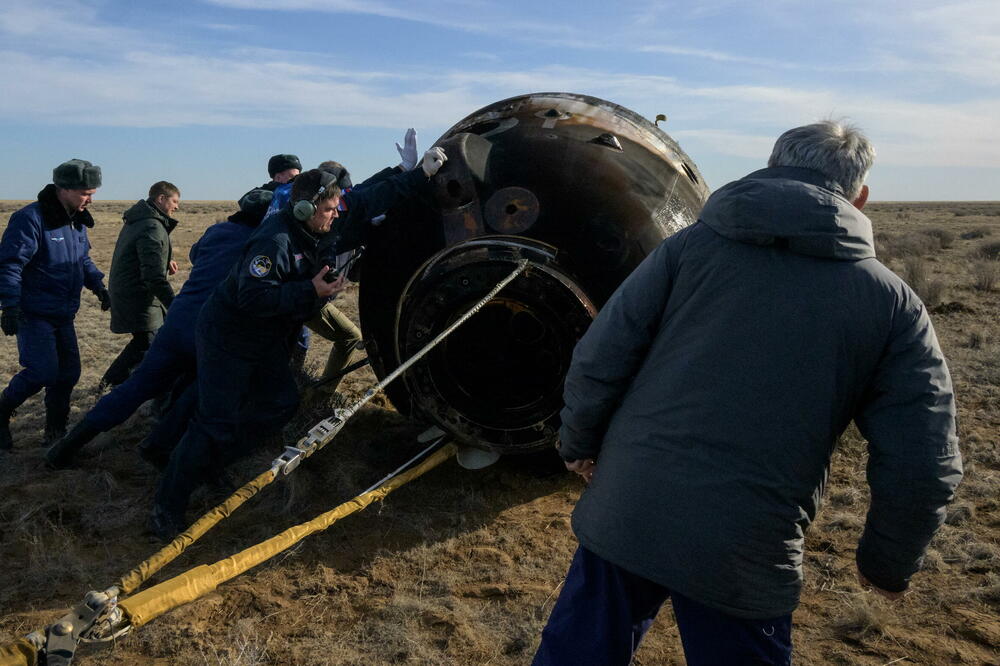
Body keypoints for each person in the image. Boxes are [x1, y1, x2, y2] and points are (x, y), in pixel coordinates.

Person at [534, 121, 963, 665]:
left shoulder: (686, 249)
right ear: (860, 195)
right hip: (746, 548)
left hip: (627, 508)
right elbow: (924, 457)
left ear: (772, 164)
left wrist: (579, 445)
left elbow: (599, 358)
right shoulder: (892, 304)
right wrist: (887, 561)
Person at [149, 148, 446, 540]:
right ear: (306, 210)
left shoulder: (329, 219)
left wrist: (418, 173)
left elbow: (372, 198)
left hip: (267, 335)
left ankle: (209, 464)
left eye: (338, 206)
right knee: (213, 421)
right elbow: (251, 298)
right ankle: (167, 506)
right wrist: (309, 290)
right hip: (231, 337)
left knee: (280, 403)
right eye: (329, 208)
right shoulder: (273, 243)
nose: (337, 213)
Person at [45, 192, 273, 469]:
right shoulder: (263, 244)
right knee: (203, 390)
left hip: (178, 320)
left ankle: (67, 446)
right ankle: (164, 448)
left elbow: (196, 254)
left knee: (137, 387)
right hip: (212, 330)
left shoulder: (218, 231)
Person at [0, 160, 110, 449]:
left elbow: (81, 260)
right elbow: (11, 264)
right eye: (86, 192)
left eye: (93, 193)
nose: (91, 199)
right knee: (42, 371)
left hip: (63, 312)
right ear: (64, 189)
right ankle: (1, 411)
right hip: (33, 312)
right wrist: (9, 305)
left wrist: (98, 286)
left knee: (69, 373)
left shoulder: (75, 221)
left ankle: (56, 431)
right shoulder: (31, 219)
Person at [99, 181, 181, 388]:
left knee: (149, 341)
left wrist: (165, 259)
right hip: (138, 296)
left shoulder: (142, 220)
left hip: (133, 292)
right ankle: (112, 383)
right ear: (161, 199)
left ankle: (115, 383)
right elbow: (153, 276)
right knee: (148, 342)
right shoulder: (151, 226)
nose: (177, 206)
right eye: (174, 201)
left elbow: (142, 254)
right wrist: (175, 304)